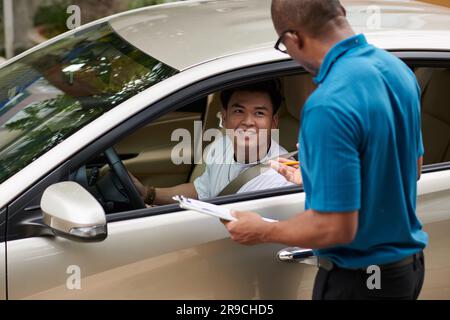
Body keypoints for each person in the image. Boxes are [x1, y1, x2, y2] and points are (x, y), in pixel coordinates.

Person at [222, 0, 427, 300]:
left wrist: (261, 231)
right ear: (340, 13)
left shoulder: (327, 105)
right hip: (407, 272)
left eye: (284, 46)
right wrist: (323, 182)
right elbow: (411, 170)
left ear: (293, 39)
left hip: (361, 282)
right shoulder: (397, 70)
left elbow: (335, 229)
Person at [132, 80, 295, 205]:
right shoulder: (221, 146)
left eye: (259, 113)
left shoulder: (283, 178)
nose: (248, 121)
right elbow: (201, 190)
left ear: (273, 122)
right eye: (239, 111)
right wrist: (147, 194)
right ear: (224, 118)